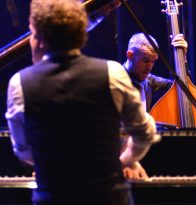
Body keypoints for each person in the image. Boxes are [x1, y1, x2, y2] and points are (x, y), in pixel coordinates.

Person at [5, 0, 159, 204]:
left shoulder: (19, 84)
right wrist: (123, 162)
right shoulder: (113, 73)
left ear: (39, 36)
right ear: (82, 34)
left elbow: (23, 150)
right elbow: (145, 132)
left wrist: (51, 165)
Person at [121, 32, 188, 180]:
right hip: (120, 159)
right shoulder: (114, 81)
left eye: (153, 61)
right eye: (145, 60)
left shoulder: (149, 81)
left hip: (144, 155)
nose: (149, 67)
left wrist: (182, 58)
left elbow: (182, 87)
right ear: (130, 55)